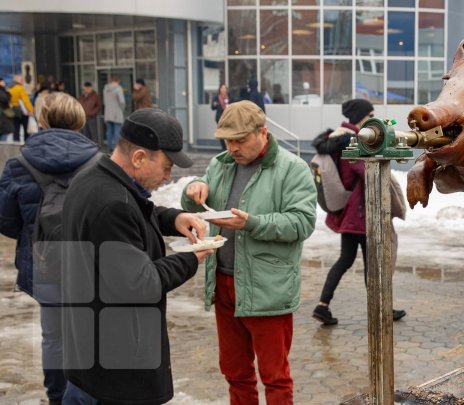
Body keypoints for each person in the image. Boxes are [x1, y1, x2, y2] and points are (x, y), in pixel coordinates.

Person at [60, 108, 214, 404]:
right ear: (139, 157)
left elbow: (136, 216)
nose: (170, 175)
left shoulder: (94, 179)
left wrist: (173, 218)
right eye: (167, 166)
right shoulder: (113, 202)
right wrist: (192, 258)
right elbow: (140, 283)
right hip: (116, 373)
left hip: (89, 357)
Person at [181, 100, 316, 405]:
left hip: (268, 289)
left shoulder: (292, 169)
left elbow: (302, 222)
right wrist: (193, 188)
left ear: (262, 133)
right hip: (224, 285)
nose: (233, 148)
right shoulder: (220, 164)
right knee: (235, 371)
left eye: (240, 140)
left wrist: (251, 223)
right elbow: (196, 206)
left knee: (275, 376)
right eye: (228, 140)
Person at [0, 92, 100, 405]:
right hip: (90, 263)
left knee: (54, 336)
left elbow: (5, 220)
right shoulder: (99, 162)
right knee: (89, 333)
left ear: (43, 120)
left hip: (43, 263)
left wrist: (34, 235)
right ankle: (86, 395)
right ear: (80, 121)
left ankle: (57, 396)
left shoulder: (19, 163)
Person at [311, 98, 406, 325]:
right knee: (372, 262)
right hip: (360, 213)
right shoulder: (352, 141)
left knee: (346, 259)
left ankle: (323, 306)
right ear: (363, 117)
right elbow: (366, 172)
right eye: (371, 115)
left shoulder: (337, 137)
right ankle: (381, 309)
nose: (373, 120)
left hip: (350, 212)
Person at [103, 76, 125, 152]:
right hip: (116, 113)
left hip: (108, 113)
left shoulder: (106, 88)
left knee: (109, 131)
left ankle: (109, 148)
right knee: (117, 131)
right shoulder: (118, 88)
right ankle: (117, 149)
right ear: (118, 81)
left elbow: (104, 101)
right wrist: (122, 109)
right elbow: (122, 101)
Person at [8, 74, 33, 142]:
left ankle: (16, 143)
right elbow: (26, 101)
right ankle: (26, 144)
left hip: (13, 111)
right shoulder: (20, 88)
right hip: (22, 112)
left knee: (16, 129)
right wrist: (31, 110)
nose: (22, 81)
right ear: (17, 80)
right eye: (21, 79)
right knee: (26, 130)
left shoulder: (9, 88)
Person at [211, 83, 231, 150]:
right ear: (220, 89)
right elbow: (212, 107)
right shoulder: (217, 97)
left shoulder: (229, 96)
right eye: (222, 88)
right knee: (222, 134)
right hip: (220, 118)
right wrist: (215, 105)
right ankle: (224, 149)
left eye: (225, 88)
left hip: (228, 118)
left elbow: (235, 102)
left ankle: (229, 148)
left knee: (228, 133)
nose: (223, 90)